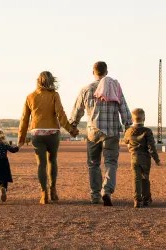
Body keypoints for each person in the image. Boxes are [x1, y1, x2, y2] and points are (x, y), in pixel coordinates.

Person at [69, 61, 132, 206]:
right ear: (106, 72)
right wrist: (128, 125)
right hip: (112, 131)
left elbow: (77, 110)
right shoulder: (115, 87)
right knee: (111, 162)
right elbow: (124, 108)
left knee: (93, 163)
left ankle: (95, 195)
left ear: (93, 72)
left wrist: (73, 125)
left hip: (93, 132)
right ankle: (107, 190)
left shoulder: (86, 89)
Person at [18, 71, 79, 205]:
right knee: (52, 160)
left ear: (38, 81)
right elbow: (60, 114)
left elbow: (24, 119)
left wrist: (21, 139)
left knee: (41, 164)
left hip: (37, 133)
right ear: (51, 81)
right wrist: (71, 130)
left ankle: (43, 193)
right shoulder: (54, 95)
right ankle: (53, 189)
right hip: (53, 133)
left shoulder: (30, 97)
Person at [123, 108, 160, 208]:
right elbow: (151, 147)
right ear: (144, 118)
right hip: (145, 158)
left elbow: (125, 141)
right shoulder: (147, 131)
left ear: (132, 119)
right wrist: (156, 159)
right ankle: (146, 199)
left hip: (134, 157)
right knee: (145, 178)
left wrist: (126, 131)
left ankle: (137, 200)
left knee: (136, 179)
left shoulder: (129, 131)